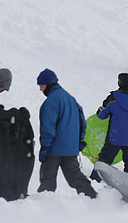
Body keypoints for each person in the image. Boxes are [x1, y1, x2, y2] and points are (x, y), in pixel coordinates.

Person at [36, 68, 97, 198]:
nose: (41, 90)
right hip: (70, 148)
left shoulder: (51, 101)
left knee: (47, 179)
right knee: (75, 177)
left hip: (54, 148)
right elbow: (82, 122)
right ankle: (93, 197)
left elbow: (48, 126)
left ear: (48, 84)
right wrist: (80, 141)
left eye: (41, 86)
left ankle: (45, 204)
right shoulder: (71, 99)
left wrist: (45, 146)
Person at [89, 73, 128, 182]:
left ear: (119, 83)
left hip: (115, 135)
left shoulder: (113, 98)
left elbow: (101, 115)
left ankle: (94, 181)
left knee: (104, 160)